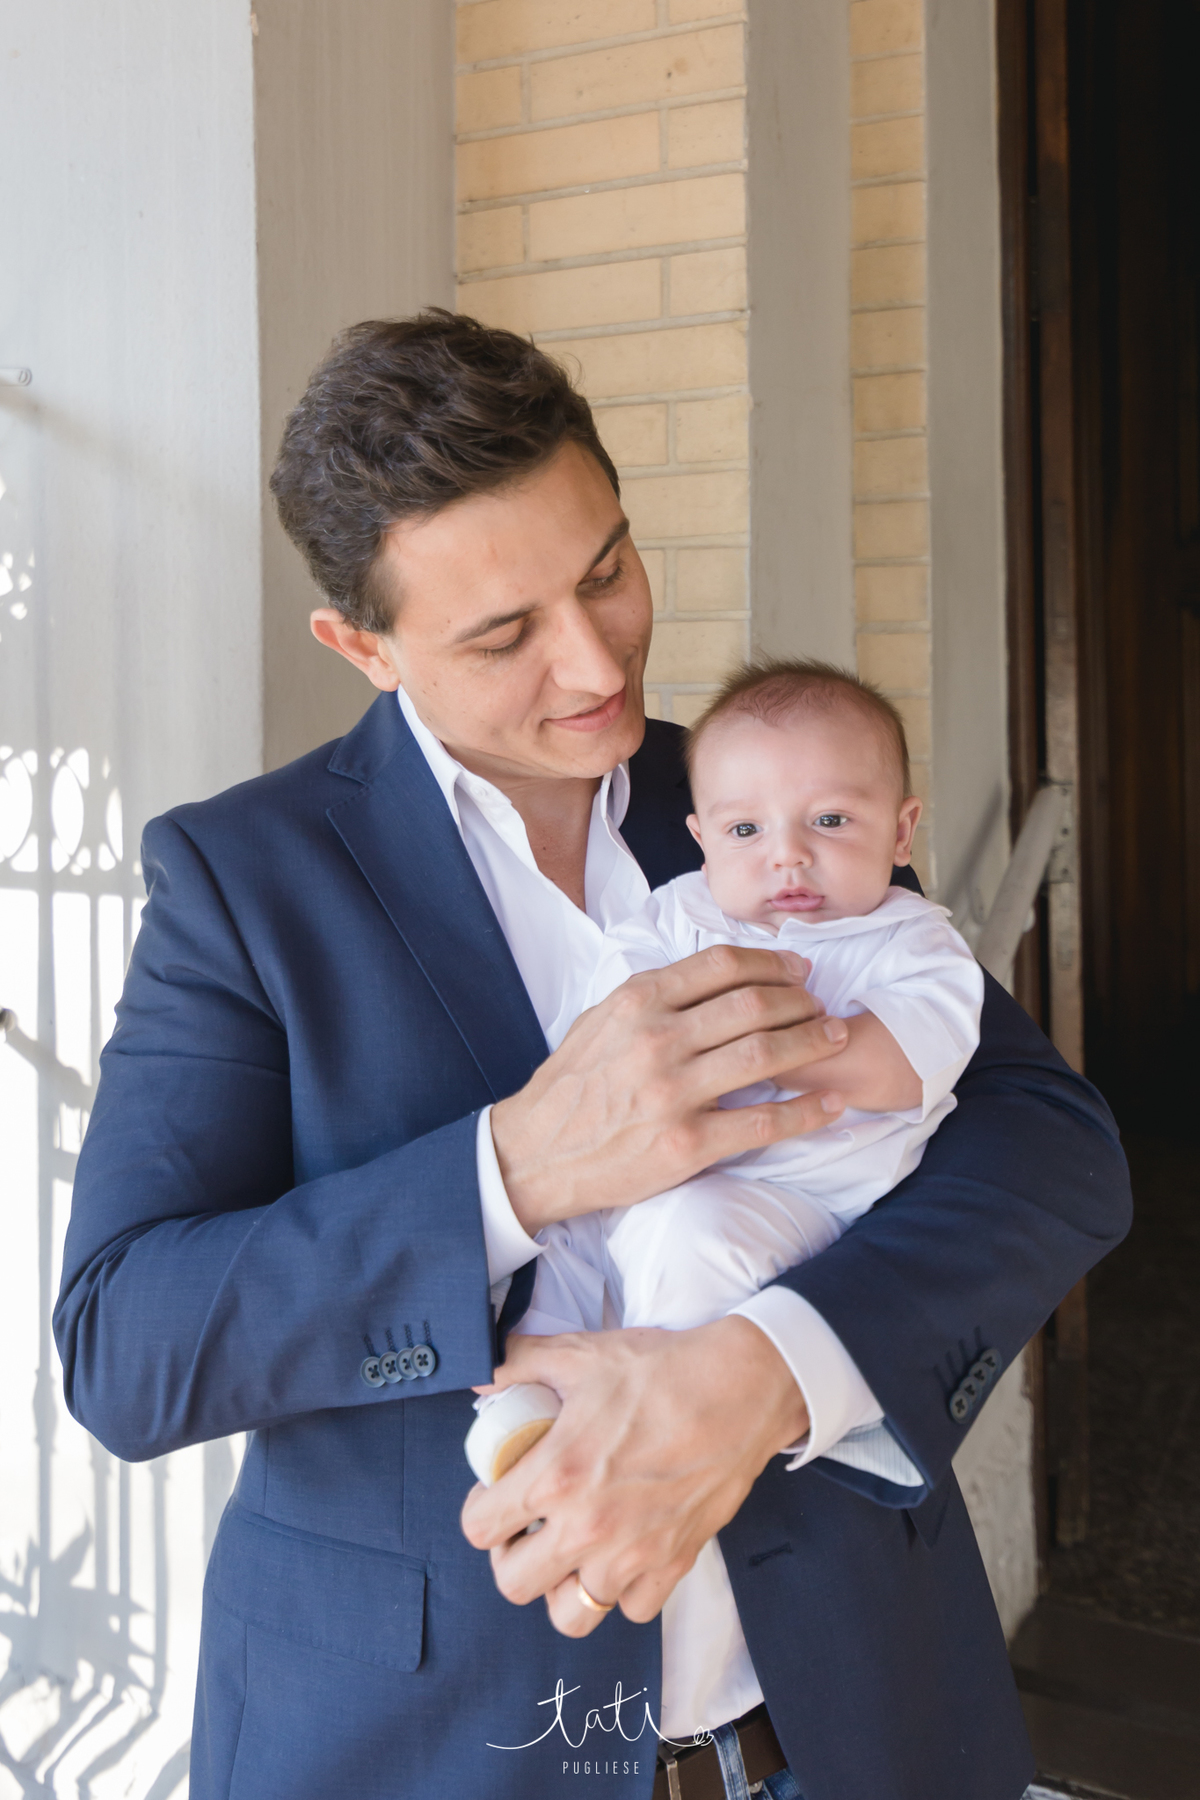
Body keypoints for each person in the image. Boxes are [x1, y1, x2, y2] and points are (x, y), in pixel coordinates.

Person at [54, 312, 1131, 1800]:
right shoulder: (244, 880)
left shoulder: (760, 793)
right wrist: (512, 1171)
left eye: (608, 570)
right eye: (503, 634)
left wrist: (772, 1366)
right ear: (362, 647)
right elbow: (125, 1340)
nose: (595, 662)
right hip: (430, 1757)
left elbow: (1054, 1145)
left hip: (854, 1725)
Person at [471, 656, 985, 1737]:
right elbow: (604, 1020)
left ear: (903, 830)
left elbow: (917, 1056)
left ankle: (693, 1657)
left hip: (792, 1201)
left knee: (690, 1241)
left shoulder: (910, 938)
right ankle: (540, 1405)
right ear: (701, 836)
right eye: (745, 831)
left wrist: (791, 1046)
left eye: (831, 820)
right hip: (644, 1172)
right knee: (569, 1249)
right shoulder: (678, 914)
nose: (786, 856)